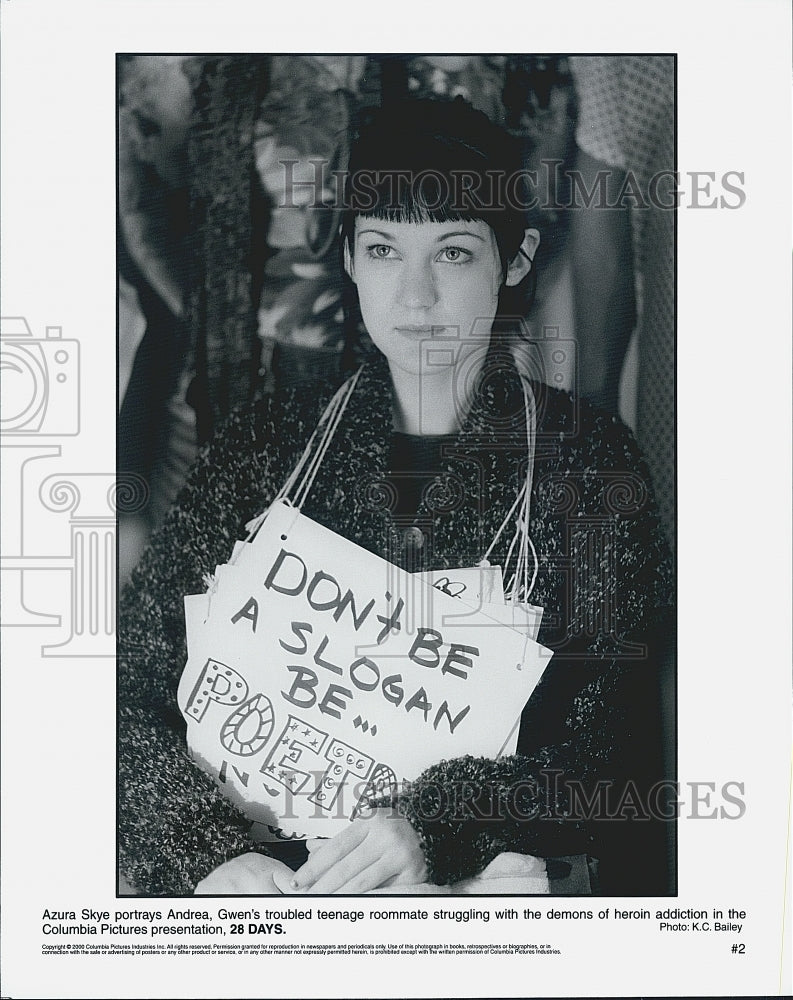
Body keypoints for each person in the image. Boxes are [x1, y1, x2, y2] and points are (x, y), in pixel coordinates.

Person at [118, 98, 673, 897]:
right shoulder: (271, 440)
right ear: (346, 258)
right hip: (257, 891)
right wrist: (205, 852)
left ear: (514, 261)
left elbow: (609, 753)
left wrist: (434, 827)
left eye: (451, 253)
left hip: (465, 898)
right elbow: (129, 684)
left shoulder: (584, 463)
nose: (413, 299)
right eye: (382, 249)